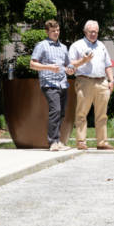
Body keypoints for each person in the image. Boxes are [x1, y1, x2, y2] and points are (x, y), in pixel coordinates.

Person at [68, 20, 114, 150]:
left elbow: (108, 65)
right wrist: (84, 60)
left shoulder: (102, 46)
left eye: (96, 32)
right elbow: (70, 64)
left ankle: (102, 142)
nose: (93, 34)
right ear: (85, 32)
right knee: (81, 113)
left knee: (102, 114)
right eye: (91, 32)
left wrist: (111, 80)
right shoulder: (77, 45)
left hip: (102, 82)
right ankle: (81, 141)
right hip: (84, 81)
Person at [29, 19, 74, 151]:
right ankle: (53, 142)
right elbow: (32, 64)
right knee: (55, 110)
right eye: (53, 31)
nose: (56, 33)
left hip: (63, 83)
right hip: (48, 83)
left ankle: (58, 141)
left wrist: (70, 69)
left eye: (58, 30)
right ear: (47, 32)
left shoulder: (63, 47)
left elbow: (68, 64)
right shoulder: (41, 46)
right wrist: (49, 67)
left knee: (61, 113)